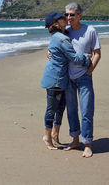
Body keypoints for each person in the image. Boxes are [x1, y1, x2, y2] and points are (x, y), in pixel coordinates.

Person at [40, 11, 91, 150]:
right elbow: (74, 58)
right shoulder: (61, 39)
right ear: (56, 23)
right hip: (54, 78)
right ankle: (47, 137)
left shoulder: (61, 35)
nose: (66, 18)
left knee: (60, 108)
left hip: (61, 78)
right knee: (52, 109)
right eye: (62, 18)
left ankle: (55, 135)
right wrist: (87, 57)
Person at [63, 2, 101, 158]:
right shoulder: (65, 32)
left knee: (86, 111)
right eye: (66, 14)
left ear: (79, 15)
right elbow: (56, 49)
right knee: (71, 110)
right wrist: (49, 54)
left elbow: (97, 53)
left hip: (84, 77)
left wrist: (89, 71)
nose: (69, 17)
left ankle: (87, 144)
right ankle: (75, 140)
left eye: (72, 14)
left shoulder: (90, 30)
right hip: (69, 77)